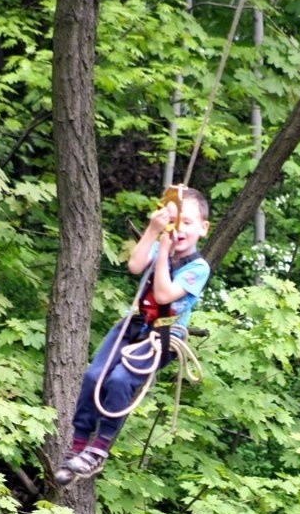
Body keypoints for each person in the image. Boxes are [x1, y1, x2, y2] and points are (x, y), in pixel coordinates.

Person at [54, 187, 210, 485]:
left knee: (120, 380)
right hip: (133, 325)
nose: (179, 230)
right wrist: (152, 232)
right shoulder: (160, 242)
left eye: (188, 223)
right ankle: (77, 445)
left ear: (203, 229)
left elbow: (164, 293)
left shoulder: (197, 268)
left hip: (163, 334)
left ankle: (99, 449)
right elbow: (135, 265)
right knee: (93, 376)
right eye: (175, 222)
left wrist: (164, 252)